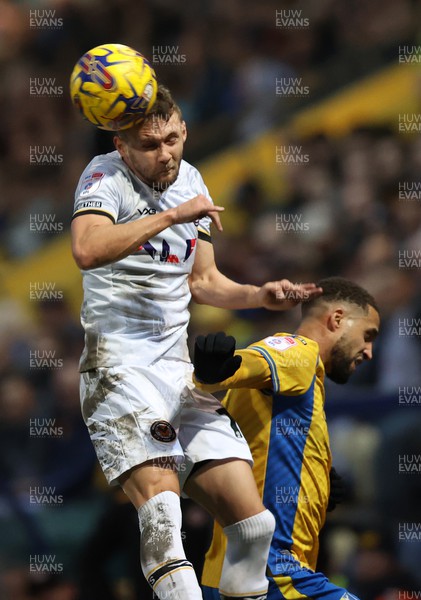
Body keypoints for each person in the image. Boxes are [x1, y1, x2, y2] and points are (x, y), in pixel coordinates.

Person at [71, 83, 322, 600]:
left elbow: (203, 281)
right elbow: (86, 249)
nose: (164, 153)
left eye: (171, 139)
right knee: (165, 517)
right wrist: (167, 217)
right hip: (119, 367)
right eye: (149, 144)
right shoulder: (103, 176)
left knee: (254, 527)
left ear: (184, 129)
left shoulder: (191, 180)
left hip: (178, 370)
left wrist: (260, 294)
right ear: (122, 146)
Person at [193, 277, 380, 600]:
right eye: (368, 335)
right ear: (337, 319)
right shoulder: (300, 354)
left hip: (235, 571)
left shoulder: (304, 386)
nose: (369, 351)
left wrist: (319, 484)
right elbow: (253, 362)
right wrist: (217, 369)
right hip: (273, 571)